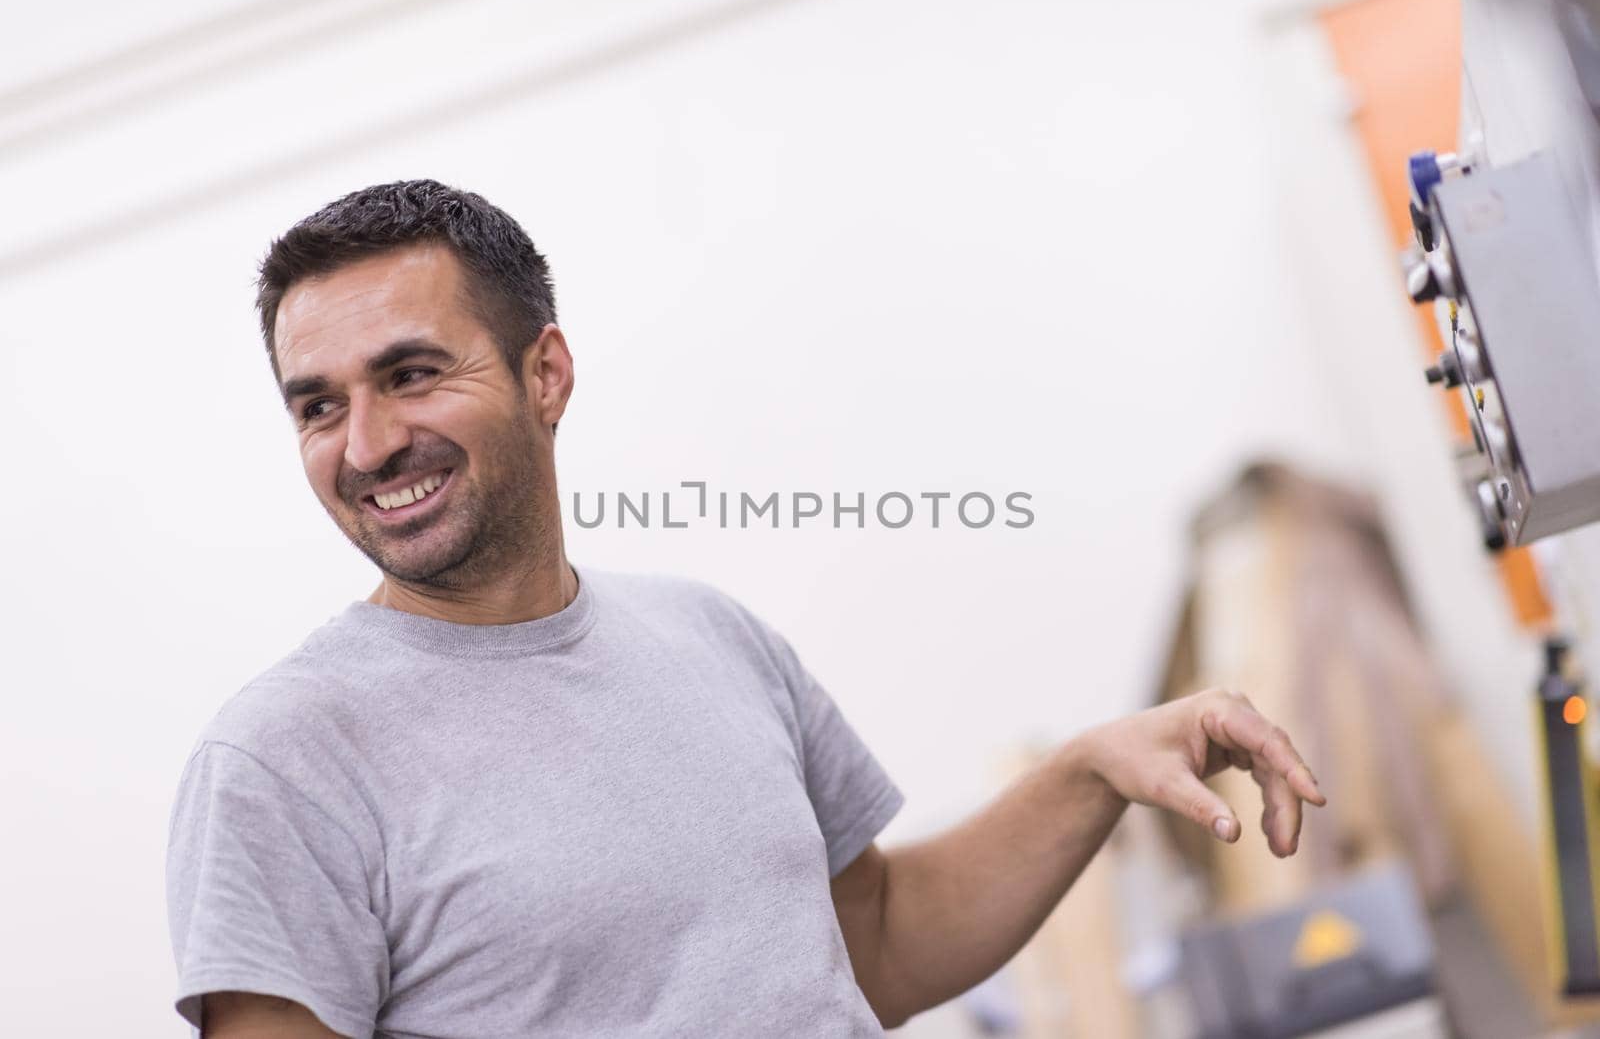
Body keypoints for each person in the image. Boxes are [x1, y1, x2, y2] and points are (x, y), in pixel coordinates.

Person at [165, 179, 1326, 1038]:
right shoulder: (283, 761)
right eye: (318, 407)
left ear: (545, 373)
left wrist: (1090, 771)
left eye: (412, 375)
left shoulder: (707, 637)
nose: (366, 445)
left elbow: (869, 945)